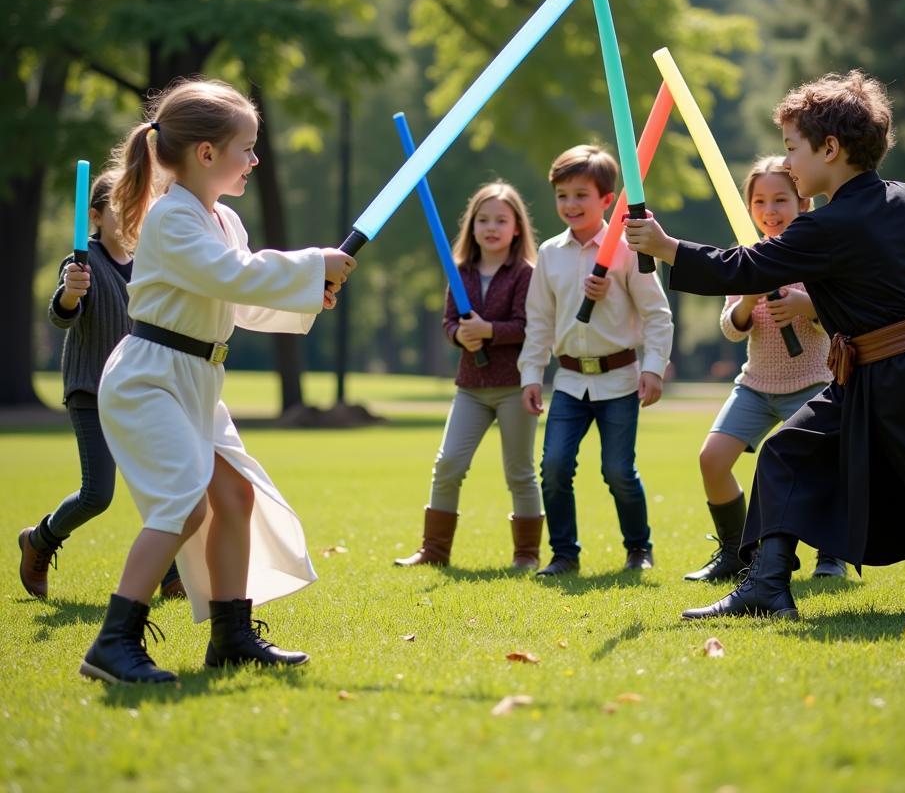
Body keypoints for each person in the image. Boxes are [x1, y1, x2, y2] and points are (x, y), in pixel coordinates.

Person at [625, 70, 905, 618]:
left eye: (793, 148)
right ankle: (768, 586)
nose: (787, 162)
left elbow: (748, 266)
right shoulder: (904, 198)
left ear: (831, 149)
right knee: (787, 452)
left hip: (904, 380)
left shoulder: (827, 228)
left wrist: (667, 247)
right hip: (888, 372)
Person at [80, 79, 356, 684]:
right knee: (183, 504)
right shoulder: (171, 220)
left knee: (235, 496)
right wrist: (313, 265)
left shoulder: (223, 218)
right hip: (150, 380)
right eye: (247, 148)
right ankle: (113, 641)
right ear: (207, 153)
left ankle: (231, 638)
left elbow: (244, 300)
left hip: (198, 382)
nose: (255, 160)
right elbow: (234, 276)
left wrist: (312, 290)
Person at [18, 170, 185, 601]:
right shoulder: (82, 262)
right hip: (91, 388)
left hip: (141, 388)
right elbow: (62, 314)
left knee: (164, 485)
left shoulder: (150, 259)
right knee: (97, 495)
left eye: (140, 204)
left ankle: (170, 575)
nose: (133, 214)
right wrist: (70, 294)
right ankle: (39, 540)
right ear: (94, 216)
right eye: (121, 206)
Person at [684, 155, 845, 584]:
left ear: (803, 205)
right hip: (755, 386)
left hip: (810, 383)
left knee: (824, 470)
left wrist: (805, 305)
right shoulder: (746, 258)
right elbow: (731, 329)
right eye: (759, 201)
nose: (769, 211)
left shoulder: (815, 256)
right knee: (712, 460)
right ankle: (736, 551)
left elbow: (839, 317)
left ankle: (832, 555)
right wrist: (749, 301)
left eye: (780, 200)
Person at [519, 144, 673, 576]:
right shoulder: (549, 254)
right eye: (562, 195)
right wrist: (532, 375)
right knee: (553, 467)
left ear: (607, 200)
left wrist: (652, 368)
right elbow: (539, 321)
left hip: (620, 379)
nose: (570, 204)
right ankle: (564, 554)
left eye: (581, 195)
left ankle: (638, 549)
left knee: (618, 471)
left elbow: (656, 315)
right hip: (568, 381)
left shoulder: (629, 249)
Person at [395, 181, 543, 570]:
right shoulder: (458, 272)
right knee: (448, 464)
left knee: (520, 472)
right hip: (471, 389)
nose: (491, 227)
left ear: (516, 228)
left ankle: (527, 555)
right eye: (483, 220)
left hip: (514, 387)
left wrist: (489, 330)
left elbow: (531, 326)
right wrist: (460, 334)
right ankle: (434, 552)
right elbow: (448, 322)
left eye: (500, 220)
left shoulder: (526, 275)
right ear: (471, 226)